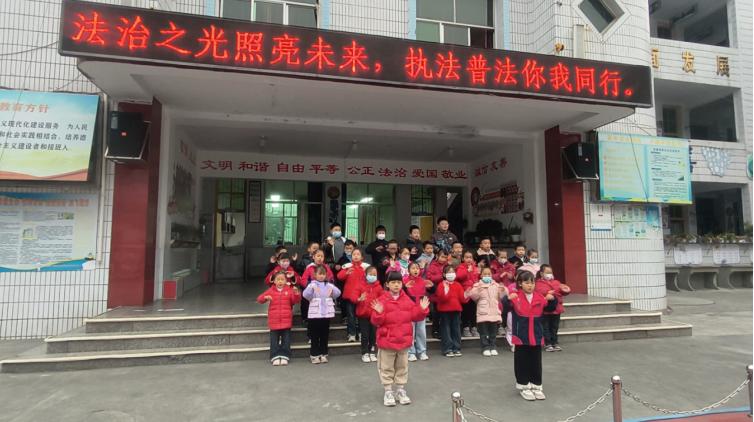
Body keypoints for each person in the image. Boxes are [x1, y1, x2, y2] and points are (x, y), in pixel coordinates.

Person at [370, 271, 430, 407]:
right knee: (386, 367)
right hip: (387, 341)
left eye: (398, 282)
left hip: (403, 341)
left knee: (402, 367)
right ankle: (388, 391)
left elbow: (415, 316)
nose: (396, 285)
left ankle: (400, 390)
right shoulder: (382, 300)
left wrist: (421, 309)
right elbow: (375, 321)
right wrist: (379, 313)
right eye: (393, 282)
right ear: (387, 284)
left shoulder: (406, 300)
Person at [504, 271, 557, 401]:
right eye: (527, 282)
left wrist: (552, 299)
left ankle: (536, 385)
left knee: (536, 361)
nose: (530, 285)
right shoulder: (516, 297)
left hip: (536, 335)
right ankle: (524, 385)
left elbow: (550, 308)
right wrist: (507, 298)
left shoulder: (540, 297)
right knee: (522, 361)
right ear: (520, 284)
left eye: (532, 282)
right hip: (521, 336)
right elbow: (505, 307)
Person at [257, 271, 301, 366]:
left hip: (286, 320)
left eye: (282, 279)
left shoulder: (289, 290)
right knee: (274, 340)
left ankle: (285, 355)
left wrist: (296, 293)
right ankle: (275, 356)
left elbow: (295, 301)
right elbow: (259, 299)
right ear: (274, 281)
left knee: (286, 339)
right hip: (274, 320)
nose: (280, 281)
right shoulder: (271, 290)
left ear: (286, 281)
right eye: (278, 279)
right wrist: (265, 298)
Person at [302, 264, 341, 364]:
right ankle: (314, 354)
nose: (321, 276)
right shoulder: (312, 284)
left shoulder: (329, 285)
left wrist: (332, 290)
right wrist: (311, 288)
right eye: (319, 274)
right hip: (315, 314)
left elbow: (338, 293)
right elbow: (305, 295)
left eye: (323, 274)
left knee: (324, 335)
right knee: (314, 335)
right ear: (315, 275)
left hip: (326, 314)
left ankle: (324, 353)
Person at [466, 267, 508, 356]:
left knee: (493, 332)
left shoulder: (495, 285)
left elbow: (501, 297)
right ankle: (485, 347)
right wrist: (479, 290)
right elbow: (473, 297)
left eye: (489, 274)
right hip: (483, 312)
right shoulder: (477, 285)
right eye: (485, 274)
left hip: (494, 312)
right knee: (483, 332)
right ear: (481, 275)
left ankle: (493, 346)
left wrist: (503, 290)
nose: (487, 276)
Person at [300, 251, 335, 343]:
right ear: (313, 257)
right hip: (313, 298)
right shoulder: (309, 268)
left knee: (324, 318)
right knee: (313, 319)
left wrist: (327, 285)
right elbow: (303, 280)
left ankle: (323, 337)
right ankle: (311, 336)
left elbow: (331, 278)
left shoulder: (326, 267)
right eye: (318, 256)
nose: (320, 258)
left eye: (322, 256)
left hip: (324, 297)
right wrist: (311, 286)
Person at [337, 248, 370, 342]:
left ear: (362, 257)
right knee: (351, 316)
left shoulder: (365, 267)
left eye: (358, 254)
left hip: (362, 296)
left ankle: (361, 333)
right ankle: (352, 334)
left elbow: (371, 278)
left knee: (361, 316)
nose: (356, 256)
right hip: (350, 296)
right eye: (354, 254)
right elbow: (339, 277)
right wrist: (346, 273)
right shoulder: (347, 266)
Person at [535, 264, 571, 352]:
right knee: (546, 327)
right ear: (541, 273)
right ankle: (548, 343)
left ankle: (554, 342)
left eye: (550, 272)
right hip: (545, 309)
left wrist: (566, 290)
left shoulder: (557, 282)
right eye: (547, 272)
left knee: (554, 327)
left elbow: (562, 291)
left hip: (556, 309)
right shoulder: (538, 283)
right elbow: (540, 292)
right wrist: (549, 293)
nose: (549, 274)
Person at [403, 262, 434, 362]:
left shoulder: (423, 281)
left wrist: (432, 286)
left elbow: (432, 291)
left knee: (421, 332)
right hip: (410, 310)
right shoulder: (405, 281)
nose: (415, 270)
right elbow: (401, 293)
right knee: (410, 333)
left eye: (417, 268)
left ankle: (422, 352)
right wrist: (405, 287)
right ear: (408, 270)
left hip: (421, 310)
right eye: (413, 268)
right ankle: (411, 352)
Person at [434, 264, 467, 357]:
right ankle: (447, 349)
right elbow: (441, 299)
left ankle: (456, 348)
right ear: (444, 274)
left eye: (453, 272)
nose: (451, 274)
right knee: (446, 330)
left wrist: (467, 294)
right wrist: (446, 290)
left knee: (456, 330)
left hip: (456, 310)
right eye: (449, 272)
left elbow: (462, 299)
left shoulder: (458, 285)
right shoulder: (441, 285)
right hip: (444, 311)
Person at [355, 266, 383, 363]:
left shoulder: (379, 287)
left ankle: (372, 352)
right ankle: (365, 353)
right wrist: (359, 299)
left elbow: (382, 299)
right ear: (365, 275)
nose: (372, 276)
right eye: (370, 274)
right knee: (365, 334)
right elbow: (354, 296)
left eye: (374, 274)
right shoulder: (360, 285)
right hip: (363, 314)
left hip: (374, 315)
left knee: (373, 334)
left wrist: (380, 306)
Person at [425, 249, 449, 339]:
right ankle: (435, 330)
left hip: (446, 292)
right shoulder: (432, 266)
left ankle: (443, 331)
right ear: (437, 256)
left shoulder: (447, 266)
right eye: (442, 257)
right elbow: (430, 277)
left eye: (445, 257)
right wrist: (441, 276)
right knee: (436, 314)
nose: (443, 259)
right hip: (435, 293)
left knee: (444, 314)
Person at [457, 250, 480, 338]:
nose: (469, 259)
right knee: (465, 311)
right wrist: (467, 271)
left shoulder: (475, 267)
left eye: (470, 257)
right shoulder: (461, 267)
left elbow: (476, 279)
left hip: (474, 292)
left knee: (474, 311)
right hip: (465, 293)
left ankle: (474, 327)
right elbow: (459, 277)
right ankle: (465, 328)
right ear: (463, 259)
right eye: (467, 257)